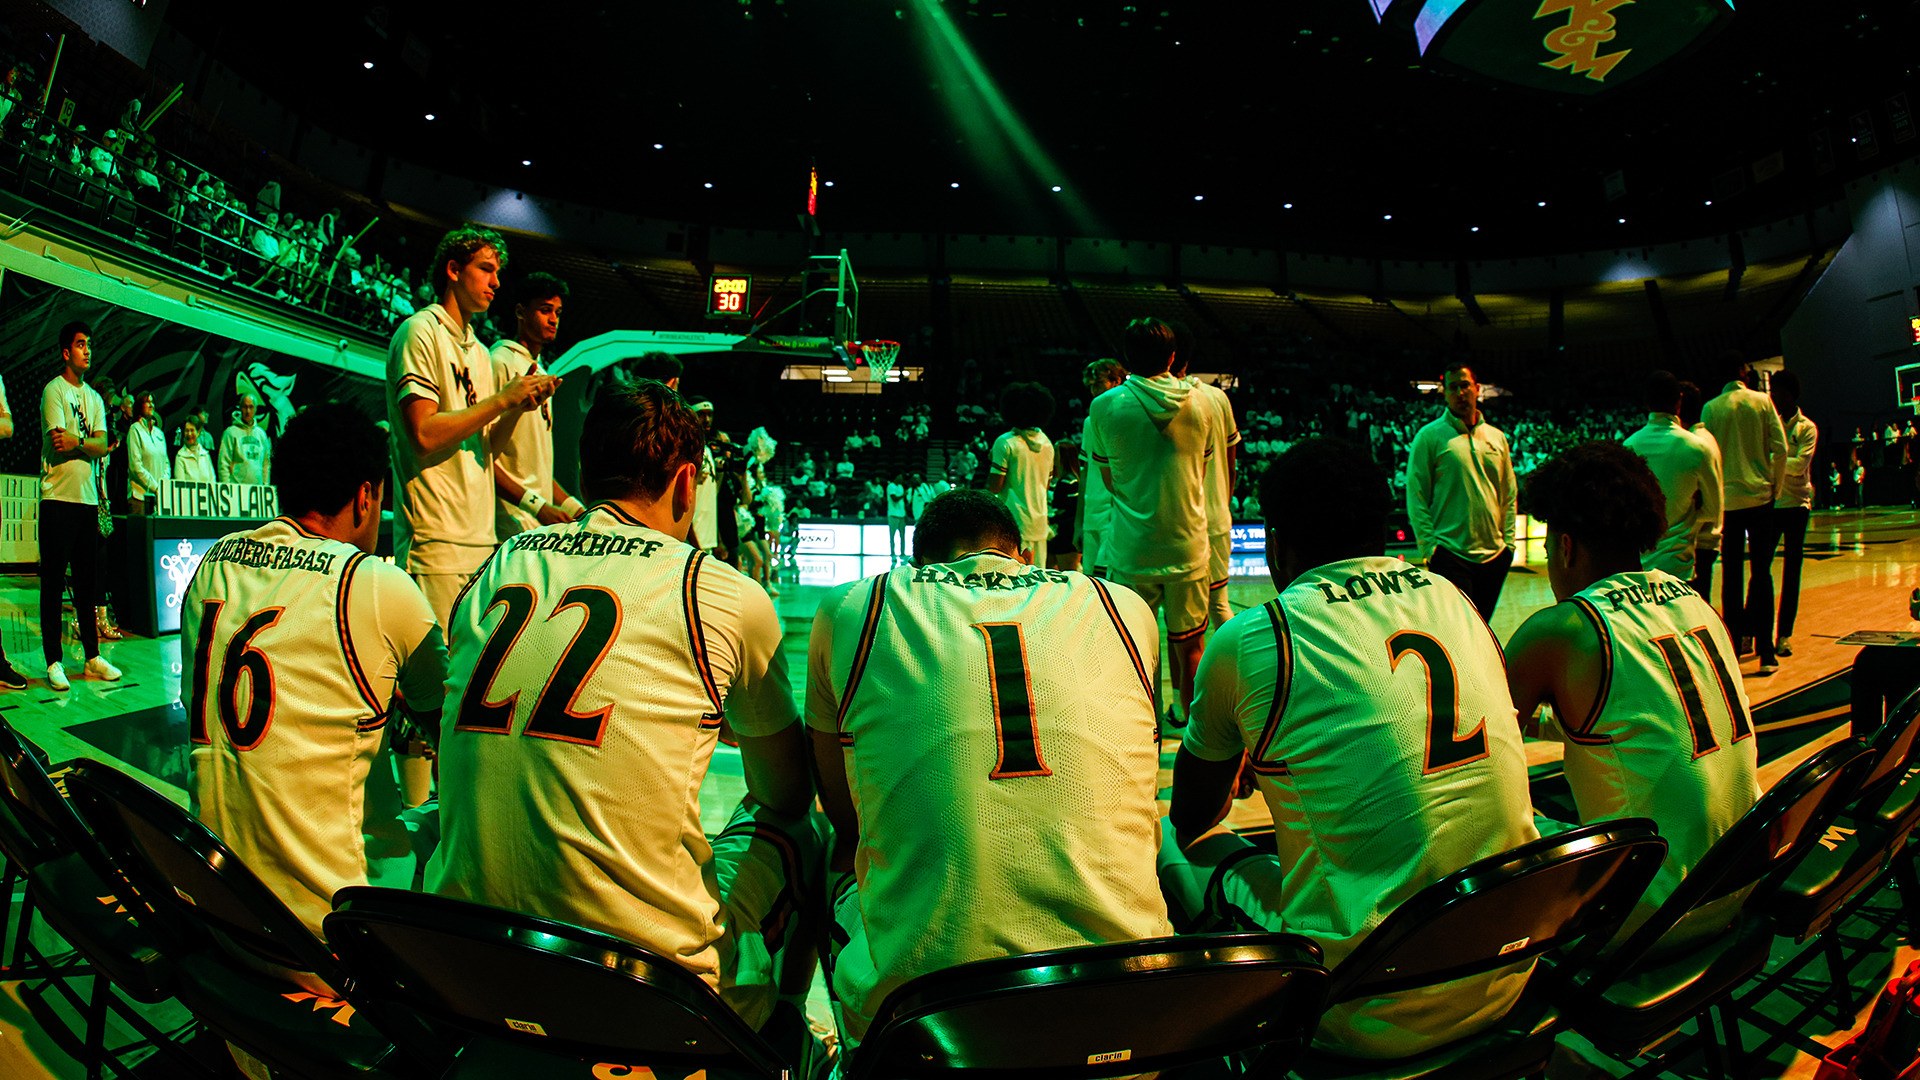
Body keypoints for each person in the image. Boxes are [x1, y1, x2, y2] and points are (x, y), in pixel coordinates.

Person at [428, 380, 823, 1033]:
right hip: (643, 980)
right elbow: (783, 791)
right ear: (687, 484)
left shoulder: (497, 565)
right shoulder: (716, 590)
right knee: (801, 829)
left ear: (584, 473)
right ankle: (780, 1034)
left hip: (473, 955)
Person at [1162, 437, 1537, 1059]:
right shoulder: (1455, 598)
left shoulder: (1259, 638)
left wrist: (1247, 763)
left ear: (1276, 541)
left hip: (1363, 1009)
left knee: (1174, 845)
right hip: (1507, 967)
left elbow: (1195, 815)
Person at [807, 488, 1171, 1047]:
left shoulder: (858, 604)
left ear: (915, 561)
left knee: (817, 840)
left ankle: (795, 1034)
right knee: (1155, 829)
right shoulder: (1120, 603)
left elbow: (843, 808)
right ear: (1023, 555)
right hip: (1128, 1012)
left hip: (929, 1022)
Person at [188, 403, 446, 944]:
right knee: (457, 818)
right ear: (366, 496)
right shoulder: (374, 584)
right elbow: (445, 727)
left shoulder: (213, 564)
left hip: (214, 903)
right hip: (330, 933)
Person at [1504, 441, 1757, 934]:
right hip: (1743, 878)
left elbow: (1476, 755)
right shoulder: (1693, 600)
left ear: (1564, 545)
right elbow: (1648, 720)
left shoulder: (1564, 629)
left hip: (1650, 917)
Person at [387, 224, 556, 628]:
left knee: (468, 678)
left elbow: (485, 448)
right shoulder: (420, 332)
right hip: (435, 540)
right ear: (453, 270)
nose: (496, 282)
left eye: (497, 273)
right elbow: (424, 434)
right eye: (485, 269)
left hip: (478, 539)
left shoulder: (479, 351)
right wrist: (502, 399)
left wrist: (517, 407)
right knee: (435, 682)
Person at [1088, 318, 1213, 725]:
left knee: (1135, 649)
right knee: (1191, 645)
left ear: (1126, 359)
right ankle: (1189, 723)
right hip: (1188, 542)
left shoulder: (1104, 407)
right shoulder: (1204, 403)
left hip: (1132, 546)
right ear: (1174, 356)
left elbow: (1109, 481)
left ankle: (1145, 728)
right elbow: (1204, 471)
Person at [38, 322, 118, 691]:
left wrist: (79, 440)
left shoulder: (96, 399)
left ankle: (91, 656)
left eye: (90, 344)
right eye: (81, 344)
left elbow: (103, 445)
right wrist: (87, 442)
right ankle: (54, 659)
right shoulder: (54, 390)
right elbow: (59, 442)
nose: (88, 350)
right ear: (66, 352)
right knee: (54, 583)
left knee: (88, 584)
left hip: (87, 500)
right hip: (57, 498)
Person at [1405, 362, 1517, 622]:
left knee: (1483, 630)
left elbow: (1508, 495)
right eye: (1453, 387)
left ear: (1477, 389)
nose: (1459, 392)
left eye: (1465, 385)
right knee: (1459, 630)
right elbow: (1416, 494)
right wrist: (1430, 548)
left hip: (1495, 556)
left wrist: (1508, 545)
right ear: (1445, 394)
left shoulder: (1497, 438)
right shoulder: (1429, 437)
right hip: (1450, 554)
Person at [1701, 351, 1787, 671]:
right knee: (1761, 573)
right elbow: (1781, 448)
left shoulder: (1710, 408)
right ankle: (1766, 650)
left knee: (1732, 576)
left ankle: (1734, 649)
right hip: (1760, 498)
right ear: (1741, 371)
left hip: (1729, 502)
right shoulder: (1762, 401)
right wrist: (1774, 488)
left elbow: (1708, 455)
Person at [491, 271, 583, 540]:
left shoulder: (543, 372)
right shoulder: (499, 362)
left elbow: (537, 469)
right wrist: (536, 506)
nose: (554, 318)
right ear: (521, 311)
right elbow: (483, 455)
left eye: (557, 311)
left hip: (537, 525)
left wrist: (577, 510)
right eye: (545, 310)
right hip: (508, 524)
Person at [1622, 370, 1722, 582]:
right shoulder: (1697, 448)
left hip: (1639, 570)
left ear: (1647, 403)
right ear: (1679, 401)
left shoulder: (1628, 447)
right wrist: (1688, 515)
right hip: (1680, 567)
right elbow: (1713, 511)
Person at [1171, 327, 1240, 628]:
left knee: (1179, 620)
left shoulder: (1136, 401)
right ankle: (1235, 675)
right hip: (1214, 518)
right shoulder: (1217, 397)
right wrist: (1221, 506)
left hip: (1176, 523)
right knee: (1219, 605)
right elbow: (1231, 463)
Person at [1770, 370, 1817, 658]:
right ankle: (1753, 631)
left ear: (1791, 394)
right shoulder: (1769, 423)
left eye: (1778, 391)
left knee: (1792, 574)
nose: (1774, 396)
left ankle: (1784, 635)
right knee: (1761, 571)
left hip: (1797, 505)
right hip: (1773, 504)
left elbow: (1799, 467)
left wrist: (1775, 460)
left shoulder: (1807, 427)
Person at [1077, 359, 1125, 576]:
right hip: (1093, 511)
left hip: (1118, 511)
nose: (1093, 391)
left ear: (1116, 381)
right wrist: (1080, 521)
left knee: (1110, 582)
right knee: (1090, 582)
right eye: (1090, 386)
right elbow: (1086, 473)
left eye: (1098, 384)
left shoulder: (1128, 416)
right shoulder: (1090, 421)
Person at [1676, 381, 1722, 599]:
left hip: (1700, 541)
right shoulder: (1705, 439)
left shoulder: (1696, 443)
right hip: (1703, 540)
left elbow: (1710, 504)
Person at [125, 391, 167, 515]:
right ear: (139, 406)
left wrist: (163, 486)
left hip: (159, 499)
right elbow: (135, 467)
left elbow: (166, 464)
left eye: (152, 402)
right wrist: (156, 487)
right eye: (147, 402)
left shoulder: (159, 434)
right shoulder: (135, 430)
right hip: (140, 498)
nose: (151, 405)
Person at [217, 393, 272, 486]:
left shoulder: (261, 434)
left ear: (255, 409)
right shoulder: (230, 432)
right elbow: (223, 463)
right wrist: (226, 487)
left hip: (257, 489)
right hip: (237, 488)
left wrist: (265, 486)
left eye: (251, 407)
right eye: (245, 407)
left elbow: (266, 463)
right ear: (240, 408)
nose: (248, 411)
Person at [174, 417, 216, 483]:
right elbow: (180, 484)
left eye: (192, 430)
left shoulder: (205, 455)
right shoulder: (180, 457)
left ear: (198, 432)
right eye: (187, 431)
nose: (189, 434)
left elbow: (212, 480)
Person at [885, 471, 910, 562]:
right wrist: (903, 495)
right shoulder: (891, 486)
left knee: (902, 536)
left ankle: (902, 553)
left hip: (901, 514)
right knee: (892, 536)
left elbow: (902, 502)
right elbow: (894, 499)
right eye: (900, 477)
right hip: (893, 514)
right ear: (896, 477)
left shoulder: (901, 487)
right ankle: (893, 554)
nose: (902, 479)